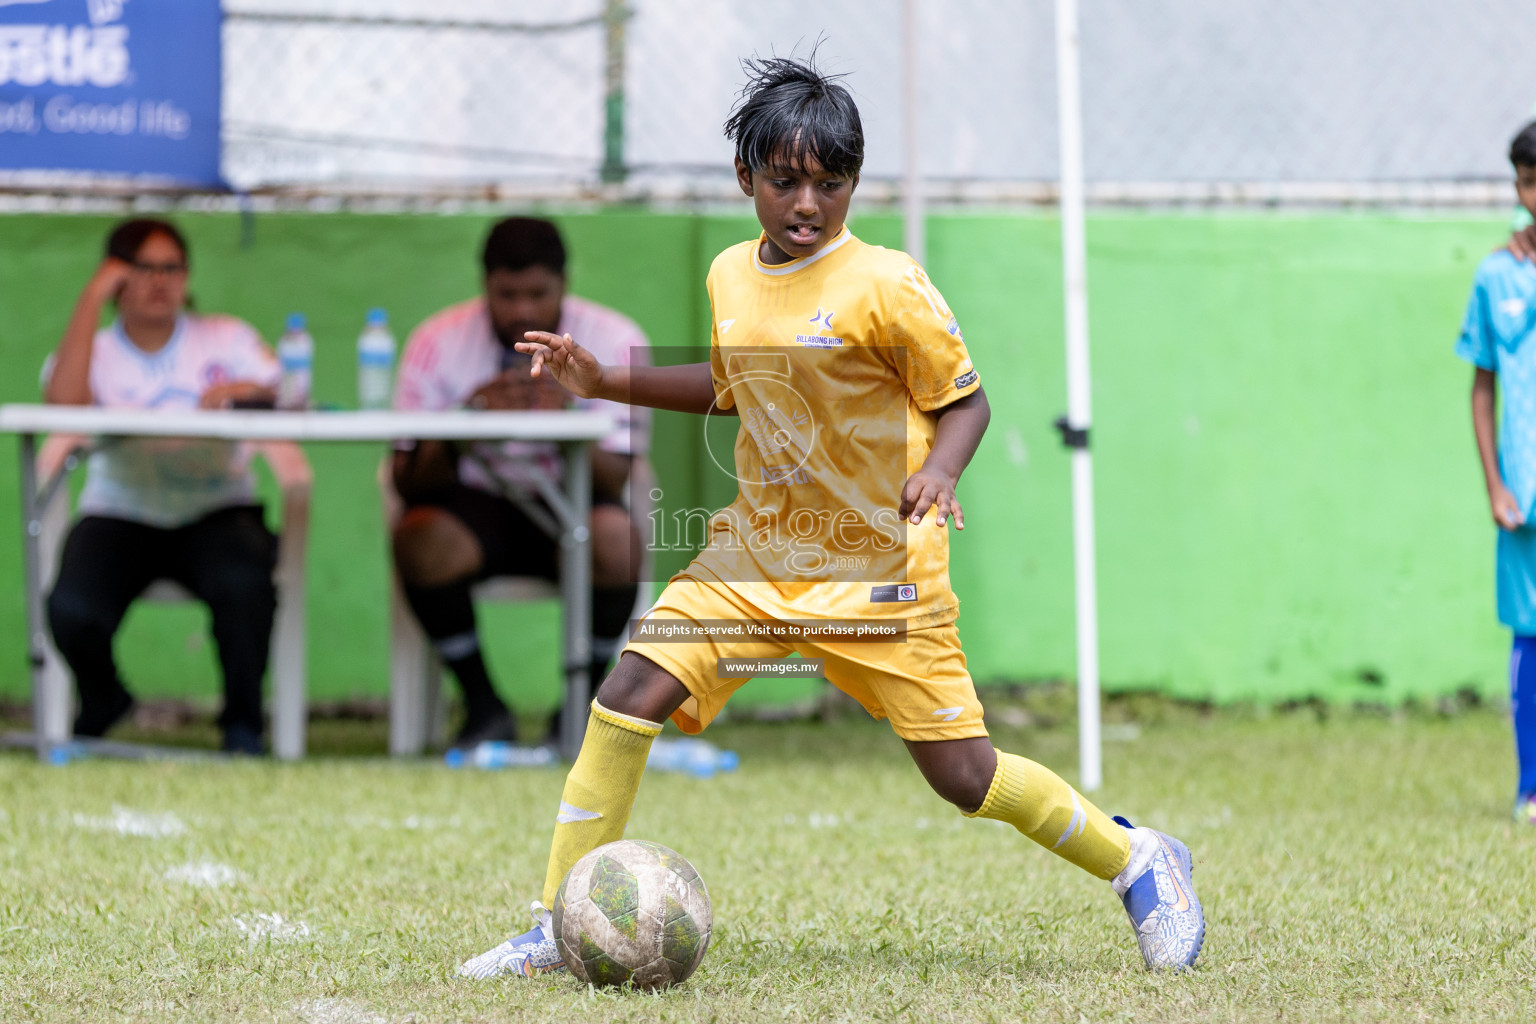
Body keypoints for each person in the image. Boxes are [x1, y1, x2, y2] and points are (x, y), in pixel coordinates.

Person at [457, 55, 1205, 980]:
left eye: (831, 183)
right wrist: (604, 381)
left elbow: (965, 403)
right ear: (747, 179)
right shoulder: (732, 276)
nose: (807, 202)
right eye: (785, 181)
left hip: (879, 571)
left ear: (853, 183)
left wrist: (937, 468)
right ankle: (555, 927)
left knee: (965, 778)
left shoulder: (888, 285)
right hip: (755, 556)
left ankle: (1138, 861)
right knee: (628, 694)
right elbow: (734, 388)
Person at [391, 217, 648, 750]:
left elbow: (619, 473)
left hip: (572, 506)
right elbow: (406, 482)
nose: (522, 311)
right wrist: (470, 418)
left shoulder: (615, 341)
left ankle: (581, 709)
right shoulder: (435, 343)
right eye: (507, 294)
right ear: (485, 284)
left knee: (618, 543)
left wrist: (563, 419)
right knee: (418, 536)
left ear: (564, 284)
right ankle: (484, 707)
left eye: (537, 293)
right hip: (475, 508)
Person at [44, 218, 282, 755]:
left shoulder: (225, 336)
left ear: (187, 275)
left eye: (171, 268)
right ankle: (104, 698)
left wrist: (244, 392)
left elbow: (283, 389)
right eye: (142, 268)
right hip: (122, 511)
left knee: (248, 588)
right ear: (114, 278)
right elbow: (61, 406)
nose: (159, 281)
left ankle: (243, 728)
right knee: (71, 610)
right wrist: (89, 299)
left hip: (217, 509)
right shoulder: (97, 349)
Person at [1455, 121, 1536, 825]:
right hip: (1523, 495)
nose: (1530, 194)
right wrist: (1495, 482)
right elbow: (1482, 385)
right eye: (1524, 181)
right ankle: (1530, 788)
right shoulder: (1495, 274)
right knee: (1529, 634)